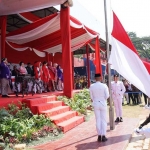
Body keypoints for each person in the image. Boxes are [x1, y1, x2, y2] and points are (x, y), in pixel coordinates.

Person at [89, 73, 109, 142]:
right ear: (101, 78)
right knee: (103, 120)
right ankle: (103, 135)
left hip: (96, 103)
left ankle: (99, 135)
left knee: (98, 120)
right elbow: (107, 96)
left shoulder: (92, 86)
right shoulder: (104, 86)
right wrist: (103, 99)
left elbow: (91, 97)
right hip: (103, 103)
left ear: (95, 79)